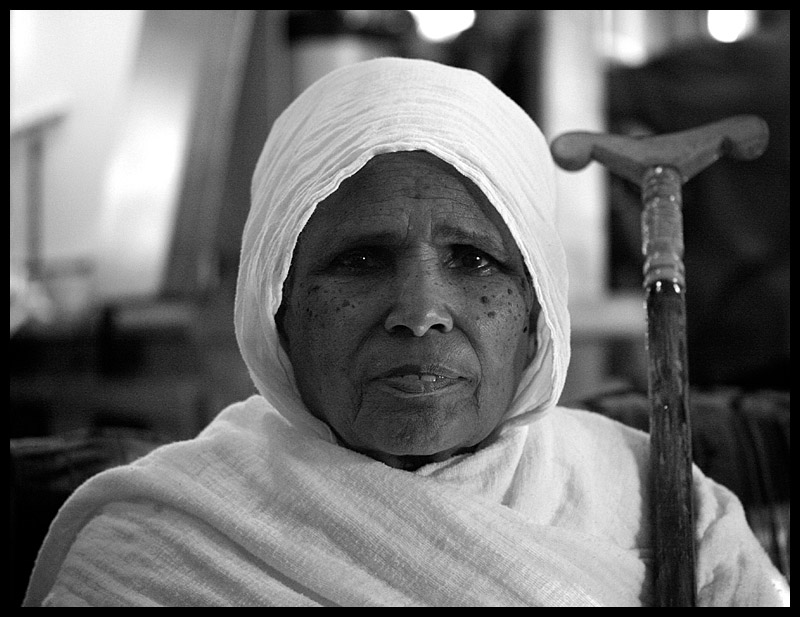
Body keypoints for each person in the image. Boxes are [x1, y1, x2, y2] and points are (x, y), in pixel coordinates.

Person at [23, 57, 788, 607]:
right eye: (359, 258)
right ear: (275, 305)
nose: (420, 309)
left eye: (475, 260)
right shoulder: (157, 548)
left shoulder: (669, 507)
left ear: (535, 312)